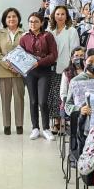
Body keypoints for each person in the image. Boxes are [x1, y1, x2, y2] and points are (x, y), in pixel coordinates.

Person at [19, 12, 57, 141]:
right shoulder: (24, 37)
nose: (33, 24)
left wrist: (39, 62)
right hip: (30, 73)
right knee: (33, 101)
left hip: (44, 71)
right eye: (30, 21)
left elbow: (53, 55)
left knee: (43, 101)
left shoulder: (48, 36)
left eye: (35, 21)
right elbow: (20, 54)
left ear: (41, 23)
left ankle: (46, 128)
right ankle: (35, 128)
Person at [0, 8, 25, 135]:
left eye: (14, 16)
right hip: (3, 71)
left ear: (18, 18)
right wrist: (7, 64)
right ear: (5, 19)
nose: (11, 19)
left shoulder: (24, 33)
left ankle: (19, 124)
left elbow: (27, 52)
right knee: (5, 99)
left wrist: (18, 66)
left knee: (19, 98)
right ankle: (6, 125)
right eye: (9, 17)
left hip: (19, 72)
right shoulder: (0, 33)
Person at [47, 6, 79, 133]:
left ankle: (63, 122)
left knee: (63, 96)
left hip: (65, 69)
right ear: (54, 15)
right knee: (53, 95)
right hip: (50, 67)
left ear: (67, 16)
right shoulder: (50, 30)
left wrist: (72, 68)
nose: (60, 16)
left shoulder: (71, 31)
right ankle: (55, 121)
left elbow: (75, 50)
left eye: (62, 14)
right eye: (57, 14)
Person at [65, 48, 94, 116]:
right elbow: (68, 105)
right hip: (82, 121)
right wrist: (79, 109)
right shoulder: (76, 80)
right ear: (84, 62)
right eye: (90, 62)